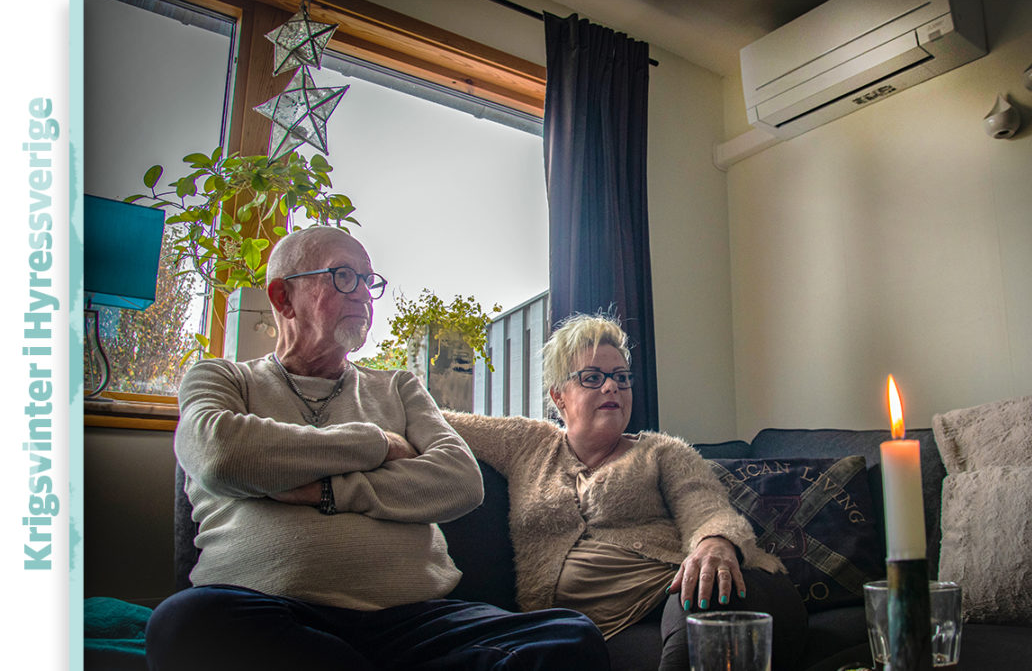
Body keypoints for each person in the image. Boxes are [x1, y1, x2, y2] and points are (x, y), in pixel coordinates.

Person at [146, 226, 608, 671]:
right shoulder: (222, 379)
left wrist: (329, 491)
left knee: (571, 637)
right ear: (282, 297)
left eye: (370, 282)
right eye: (344, 277)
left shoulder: (399, 387)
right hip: (268, 612)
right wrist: (378, 443)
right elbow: (221, 454)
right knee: (182, 624)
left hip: (416, 621)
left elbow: (460, 481)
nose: (365, 294)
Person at [446, 314, 808, 671]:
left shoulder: (661, 452)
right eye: (592, 378)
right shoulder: (527, 444)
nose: (611, 387)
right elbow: (434, 419)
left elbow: (706, 506)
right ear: (559, 396)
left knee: (704, 599)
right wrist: (393, 444)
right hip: (600, 630)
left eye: (621, 377)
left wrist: (714, 542)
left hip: (700, 594)